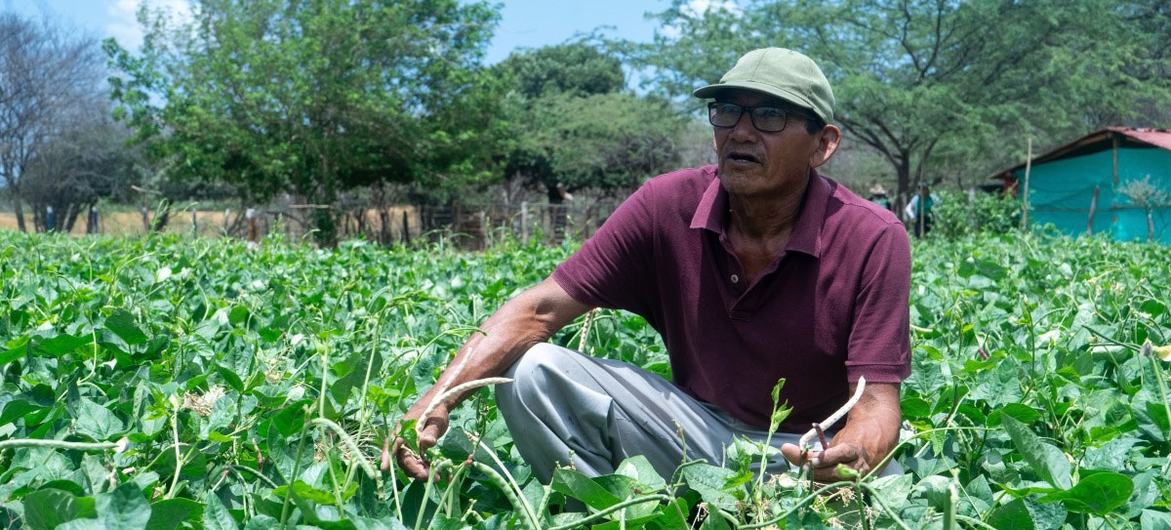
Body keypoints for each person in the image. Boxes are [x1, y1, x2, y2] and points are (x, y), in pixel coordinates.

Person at [394, 47, 911, 485]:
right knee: (532, 372)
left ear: (823, 144)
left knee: (876, 484)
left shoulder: (872, 237)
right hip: (694, 433)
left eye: (771, 116)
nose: (742, 133)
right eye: (728, 111)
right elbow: (539, 310)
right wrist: (439, 397)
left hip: (808, 452)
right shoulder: (667, 205)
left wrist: (855, 452)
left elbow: (877, 403)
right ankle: (620, 513)